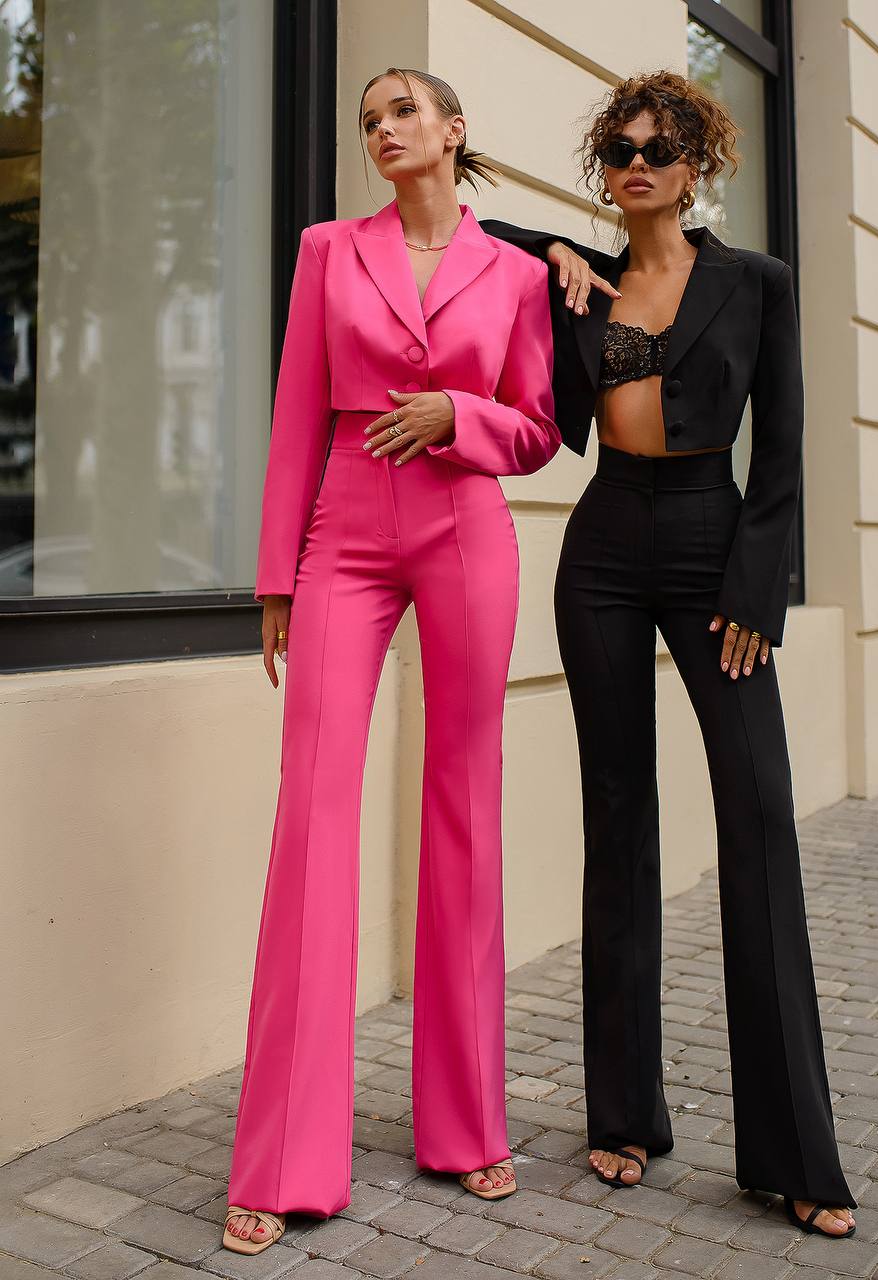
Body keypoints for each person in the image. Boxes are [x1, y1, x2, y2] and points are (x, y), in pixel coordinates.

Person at [480, 70, 858, 1239]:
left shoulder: (755, 283)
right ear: (608, 163)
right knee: (616, 817)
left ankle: (795, 1151)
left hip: (710, 543)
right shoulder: (580, 283)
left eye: (666, 144)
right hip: (600, 547)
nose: (642, 160)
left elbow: (785, 441)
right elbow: (479, 223)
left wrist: (760, 584)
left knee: (758, 817)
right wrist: (556, 249)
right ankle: (626, 1110)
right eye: (625, 146)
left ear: (699, 163)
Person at [222, 66, 560, 1256]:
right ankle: (280, 1154)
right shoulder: (328, 249)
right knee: (312, 813)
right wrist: (277, 574)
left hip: (466, 526)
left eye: (403, 111)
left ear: (454, 132)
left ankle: (467, 1122)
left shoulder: (516, 274)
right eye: (368, 119)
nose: (381, 129)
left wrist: (457, 418)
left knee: (464, 806)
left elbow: (537, 423)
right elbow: (294, 409)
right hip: (347, 534)